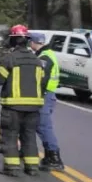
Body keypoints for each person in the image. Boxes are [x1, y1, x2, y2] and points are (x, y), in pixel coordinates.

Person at [0, 24, 45, 176]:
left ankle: (12, 167)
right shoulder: (37, 61)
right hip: (34, 108)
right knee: (29, 136)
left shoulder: (9, 59)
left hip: (13, 107)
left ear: (13, 40)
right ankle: (32, 167)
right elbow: (42, 82)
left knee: (10, 136)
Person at [29, 32, 64, 171]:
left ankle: (54, 157)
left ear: (33, 42)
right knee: (40, 125)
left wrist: (37, 94)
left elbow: (42, 79)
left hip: (45, 95)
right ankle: (50, 156)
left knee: (44, 126)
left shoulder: (44, 57)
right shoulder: (48, 53)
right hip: (48, 94)